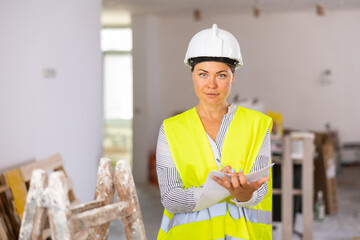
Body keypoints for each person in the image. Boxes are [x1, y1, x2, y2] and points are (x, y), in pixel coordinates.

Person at [156, 24, 273, 239]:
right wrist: (222, 190)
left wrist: (246, 195)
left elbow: (260, 190)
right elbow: (171, 198)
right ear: (192, 75)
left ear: (232, 77)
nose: (211, 84)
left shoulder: (257, 124)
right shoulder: (171, 129)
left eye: (221, 75)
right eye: (203, 74)